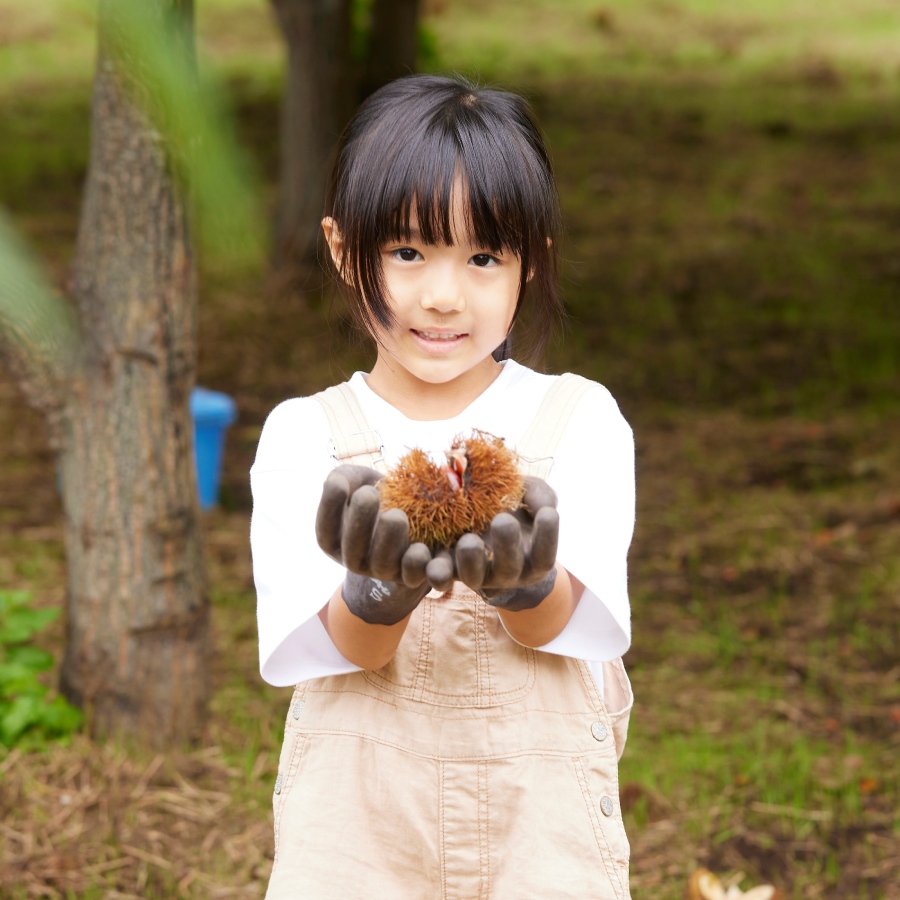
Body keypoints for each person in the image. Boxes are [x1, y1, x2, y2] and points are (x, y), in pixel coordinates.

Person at [251, 74, 636, 899]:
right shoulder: (305, 437)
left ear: (531, 262)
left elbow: (568, 633)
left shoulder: (580, 421)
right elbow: (342, 653)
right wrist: (376, 593)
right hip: (357, 838)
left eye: (484, 257)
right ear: (340, 246)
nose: (443, 295)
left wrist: (528, 584)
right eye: (407, 251)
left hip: (545, 838)